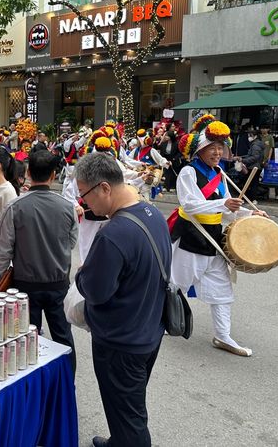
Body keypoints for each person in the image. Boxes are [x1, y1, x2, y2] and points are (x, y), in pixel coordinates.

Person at [74, 153, 170, 447]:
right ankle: (118, 440)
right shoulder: (152, 214)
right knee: (128, 406)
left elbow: (95, 291)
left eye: (84, 196)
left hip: (121, 342)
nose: (84, 204)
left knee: (130, 419)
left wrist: (81, 274)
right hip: (149, 329)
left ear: (104, 187)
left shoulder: (114, 233)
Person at [171, 115, 268, 357]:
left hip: (214, 238)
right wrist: (223, 203)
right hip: (191, 236)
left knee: (223, 291)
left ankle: (223, 336)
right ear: (200, 150)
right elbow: (191, 205)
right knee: (175, 285)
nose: (217, 152)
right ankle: (156, 320)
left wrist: (250, 213)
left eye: (220, 148)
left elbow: (227, 209)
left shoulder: (220, 174)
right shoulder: (188, 172)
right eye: (211, 148)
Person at [0, 150, 78, 368]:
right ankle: (67, 383)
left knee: (25, 339)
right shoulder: (67, 206)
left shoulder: (15, 206)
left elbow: (4, 250)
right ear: (53, 175)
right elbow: (71, 242)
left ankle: (32, 386)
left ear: (29, 173)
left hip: (24, 285)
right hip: (58, 283)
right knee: (63, 337)